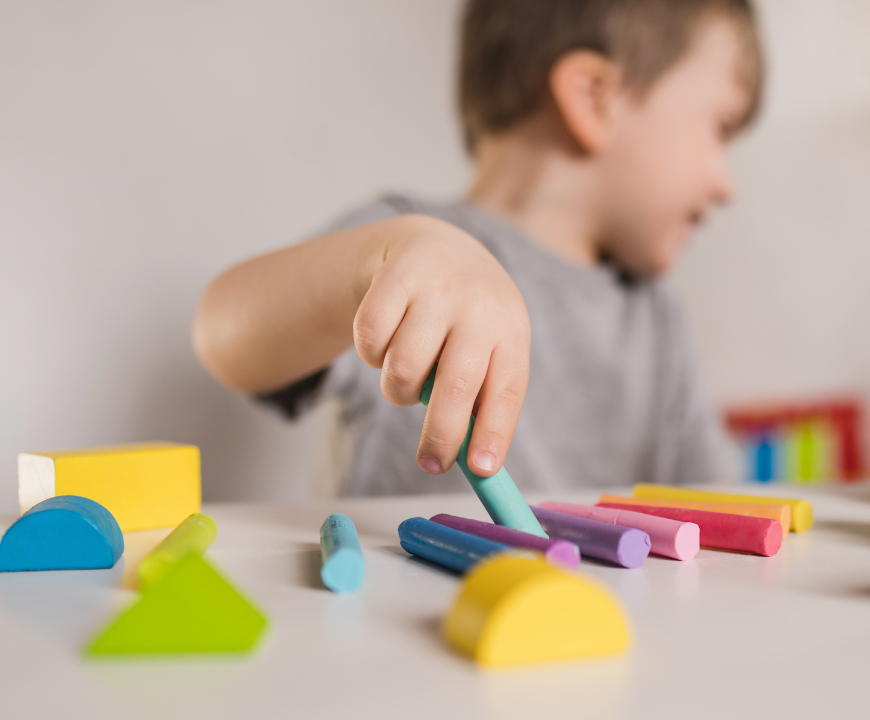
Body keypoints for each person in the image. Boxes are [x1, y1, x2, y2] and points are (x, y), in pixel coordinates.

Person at [193, 0, 764, 496]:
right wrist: (386, 256)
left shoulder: (656, 317)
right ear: (594, 99)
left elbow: (718, 512)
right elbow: (222, 333)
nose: (727, 185)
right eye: (721, 127)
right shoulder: (405, 247)